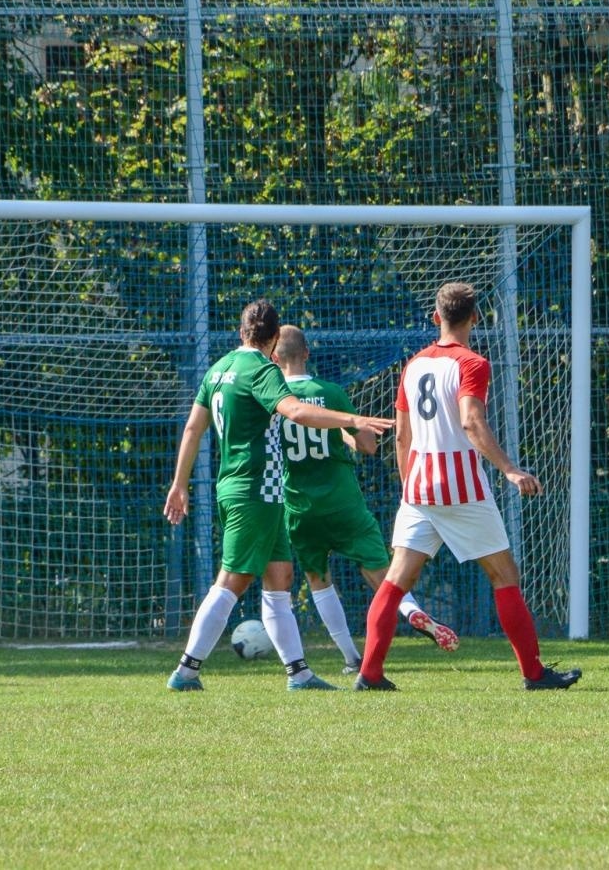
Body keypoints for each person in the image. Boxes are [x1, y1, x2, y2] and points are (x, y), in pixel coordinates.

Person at [355, 282, 581, 692]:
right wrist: (510, 469)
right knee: (504, 575)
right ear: (475, 318)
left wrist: (410, 487)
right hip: (460, 488)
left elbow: (402, 436)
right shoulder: (472, 363)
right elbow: (470, 422)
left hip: (418, 486)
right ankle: (534, 674)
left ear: (436, 317)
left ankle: (369, 674)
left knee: (395, 581)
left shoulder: (414, 365)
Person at [163, 299, 396, 692]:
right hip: (257, 489)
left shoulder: (219, 369)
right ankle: (186, 672)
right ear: (273, 340)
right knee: (232, 580)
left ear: (241, 332)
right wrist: (352, 420)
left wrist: (179, 483)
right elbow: (297, 412)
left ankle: (299, 673)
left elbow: (192, 429)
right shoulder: (261, 369)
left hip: (246, 489)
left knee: (279, 577)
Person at [271, 324, 459, 674]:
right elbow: (369, 446)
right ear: (307, 354)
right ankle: (410, 610)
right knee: (382, 571)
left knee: (318, 579)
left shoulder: (275, 400)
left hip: (299, 505)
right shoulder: (330, 392)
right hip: (343, 501)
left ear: (273, 357)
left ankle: (350, 657)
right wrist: (344, 432)